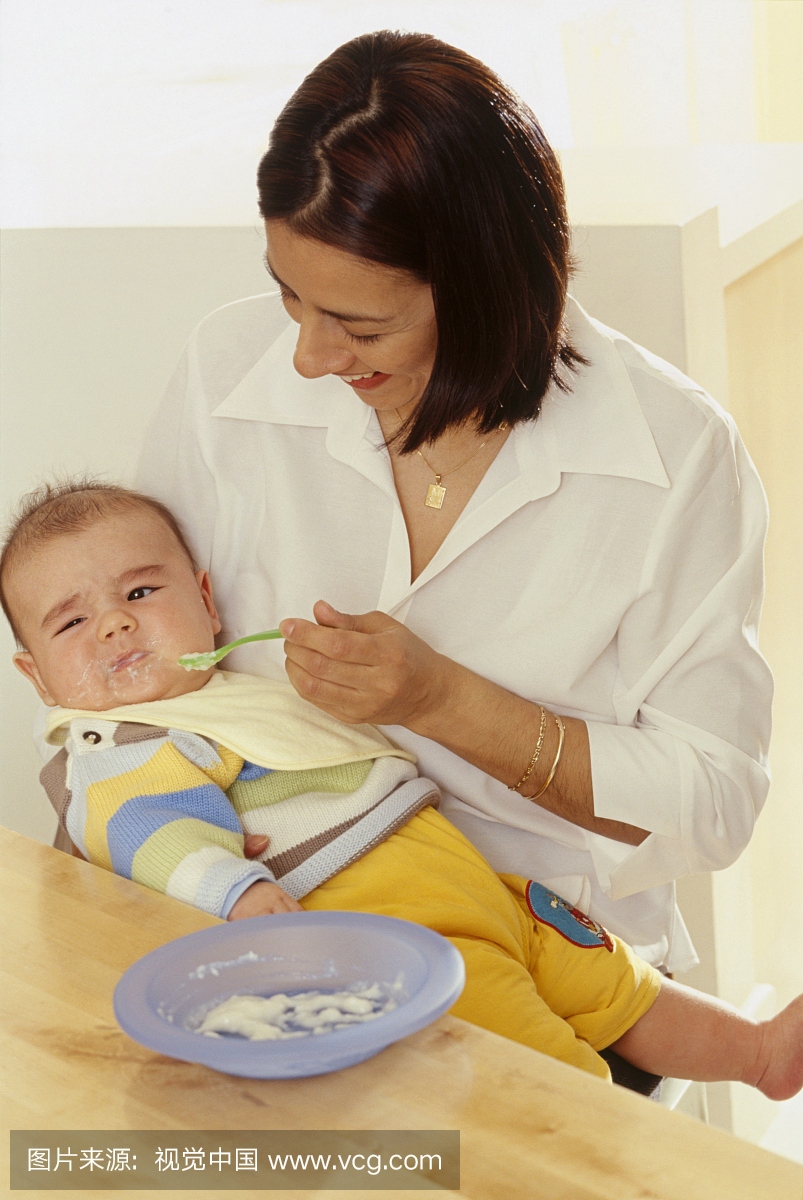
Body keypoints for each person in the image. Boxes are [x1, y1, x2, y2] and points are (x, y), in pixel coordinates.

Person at [136, 29, 773, 985]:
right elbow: (132, 644)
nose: (308, 358)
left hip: (553, 952)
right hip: (272, 925)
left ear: (486, 290)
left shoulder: (672, 454)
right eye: (288, 299)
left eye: (360, 325)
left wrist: (443, 702)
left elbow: (713, 803)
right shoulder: (226, 374)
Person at [2, 478, 802, 1101]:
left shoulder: (235, 691)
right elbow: (148, 826)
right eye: (72, 624)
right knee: (547, 1073)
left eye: (141, 594)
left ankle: (756, 1053)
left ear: (206, 603)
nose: (114, 624)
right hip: (399, 936)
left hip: (481, 888)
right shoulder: (118, 746)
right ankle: (607, 1155)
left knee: (620, 984)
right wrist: (236, 892)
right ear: (37, 677)